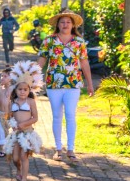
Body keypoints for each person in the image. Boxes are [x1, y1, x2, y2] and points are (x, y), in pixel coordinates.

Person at [37, 9, 94, 163]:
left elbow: (84, 63)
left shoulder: (79, 42)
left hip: (73, 83)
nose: (65, 24)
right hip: (53, 83)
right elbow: (42, 61)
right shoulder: (49, 41)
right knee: (56, 115)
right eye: (62, 22)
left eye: (68, 22)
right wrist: (32, 78)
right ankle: (58, 149)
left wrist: (89, 84)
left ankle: (70, 149)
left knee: (70, 114)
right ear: (58, 24)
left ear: (73, 24)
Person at [3, 61, 44, 181]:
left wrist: (24, 124)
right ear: (16, 90)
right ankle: (19, 170)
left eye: (25, 90)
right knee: (15, 158)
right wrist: (11, 123)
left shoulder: (31, 102)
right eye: (20, 89)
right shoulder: (13, 102)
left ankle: (24, 180)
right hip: (16, 134)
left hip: (27, 133)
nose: (22, 92)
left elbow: (35, 117)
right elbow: (9, 116)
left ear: (29, 90)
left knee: (23, 156)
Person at [0, 67, 12, 157]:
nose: (2, 78)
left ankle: (12, 146)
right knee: (2, 131)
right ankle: (2, 149)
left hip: (11, 115)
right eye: (2, 76)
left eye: (5, 76)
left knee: (12, 131)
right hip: (1, 114)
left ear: (11, 78)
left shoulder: (13, 89)